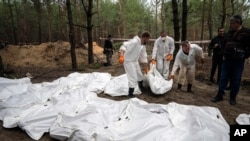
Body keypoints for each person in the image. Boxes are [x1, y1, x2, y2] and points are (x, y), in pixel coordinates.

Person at [211, 15, 250, 105]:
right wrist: (224, 54)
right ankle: (219, 95)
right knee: (223, 78)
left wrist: (244, 56)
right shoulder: (229, 32)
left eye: (232, 23)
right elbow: (225, 43)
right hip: (227, 60)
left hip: (238, 61)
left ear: (238, 23)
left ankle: (233, 97)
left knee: (236, 79)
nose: (230, 25)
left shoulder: (247, 33)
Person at [119, 32, 150, 98]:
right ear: (144, 38)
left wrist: (146, 67)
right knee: (133, 77)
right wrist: (121, 56)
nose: (148, 41)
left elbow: (143, 56)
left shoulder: (142, 45)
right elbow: (124, 45)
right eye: (148, 39)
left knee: (140, 75)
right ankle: (130, 94)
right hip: (128, 61)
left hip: (135, 61)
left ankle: (141, 87)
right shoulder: (135, 41)